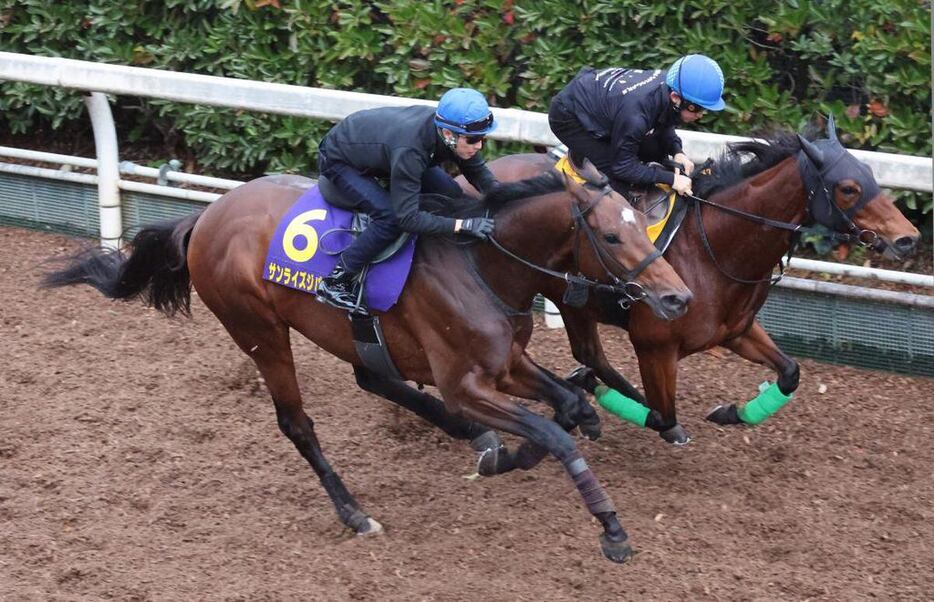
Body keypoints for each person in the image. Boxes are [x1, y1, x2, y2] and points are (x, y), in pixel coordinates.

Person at [315, 88, 500, 311]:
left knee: (450, 194)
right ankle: (337, 280)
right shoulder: (411, 151)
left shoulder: (451, 133)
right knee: (389, 218)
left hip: (386, 150)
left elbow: (479, 174)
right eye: (472, 140)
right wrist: (463, 225)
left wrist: (505, 199)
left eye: (483, 139)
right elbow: (408, 219)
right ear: (448, 135)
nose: (478, 146)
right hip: (340, 159)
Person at [548, 54, 726, 198]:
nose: (701, 115)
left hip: (609, 106)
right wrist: (670, 179)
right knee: (619, 182)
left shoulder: (669, 86)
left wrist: (677, 151)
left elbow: (664, 121)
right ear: (675, 98)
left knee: (655, 150)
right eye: (697, 108)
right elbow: (622, 167)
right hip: (568, 116)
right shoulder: (636, 116)